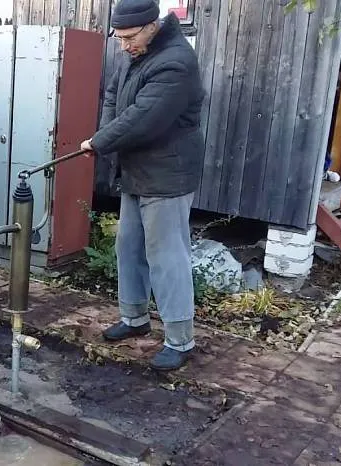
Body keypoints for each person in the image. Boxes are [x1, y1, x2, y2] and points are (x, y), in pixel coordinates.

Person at [80, 0, 205, 370]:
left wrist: (100, 143)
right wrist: (103, 133)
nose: (123, 45)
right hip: (136, 171)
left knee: (167, 255)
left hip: (167, 175)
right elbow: (114, 98)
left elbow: (143, 118)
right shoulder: (137, 54)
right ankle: (134, 319)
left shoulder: (176, 61)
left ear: (153, 25)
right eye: (118, 38)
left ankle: (181, 340)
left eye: (129, 37)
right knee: (129, 246)